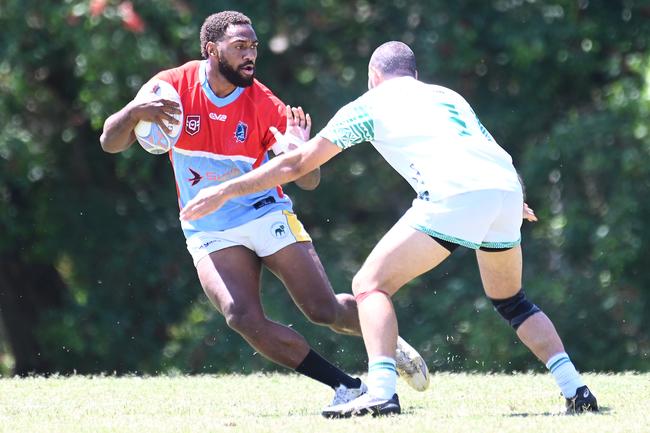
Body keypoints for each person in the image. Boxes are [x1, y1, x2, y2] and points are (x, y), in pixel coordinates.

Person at [180, 40, 600, 418]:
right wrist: (510, 199)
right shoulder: (446, 95)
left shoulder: (370, 104)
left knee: (369, 285)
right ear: (415, 75)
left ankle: (381, 391)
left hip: (456, 195)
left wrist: (224, 191)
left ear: (373, 77)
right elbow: (488, 148)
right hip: (506, 189)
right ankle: (575, 389)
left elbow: (296, 164)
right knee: (512, 301)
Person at [100, 13, 429, 409]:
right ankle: (347, 386)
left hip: (264, 212)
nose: (250, 54)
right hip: (208, 226)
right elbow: (109, 141)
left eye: (253, 46)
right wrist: (134, 113)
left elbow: (308, 180)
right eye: (240, 46)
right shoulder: (172, 87)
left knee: (322, 309)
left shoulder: (264, 103)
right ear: (211, 49)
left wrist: (301, 152)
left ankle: (385, 340)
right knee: (240, 316)